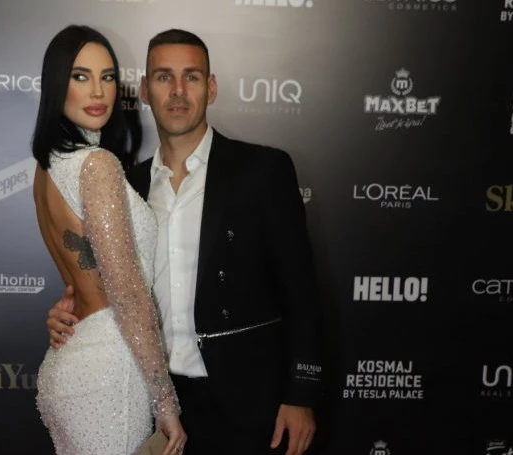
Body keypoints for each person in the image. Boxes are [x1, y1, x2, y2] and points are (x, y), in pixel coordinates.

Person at [47, 29, 323, 455]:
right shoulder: (126, 184)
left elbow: (301, 290)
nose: (178, 91)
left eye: (191, 77)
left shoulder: (262, 170)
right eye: (164, 77)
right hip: (154, 405)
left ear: (211, 88)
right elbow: (106, 285)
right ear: (144, 90)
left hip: (251, 402)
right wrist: (69, 313)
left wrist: (300, 393)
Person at [31, 25, 186, 455]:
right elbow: (128, 292)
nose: (98, 91)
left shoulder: (45, 169)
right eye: (80, 76)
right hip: (110, 369)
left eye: (108, 77)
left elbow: (81, 275)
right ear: (56, 84)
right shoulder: (97, 165)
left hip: (70, 358)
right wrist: (165, 401)